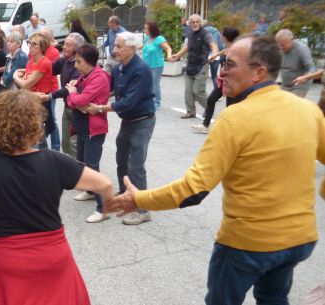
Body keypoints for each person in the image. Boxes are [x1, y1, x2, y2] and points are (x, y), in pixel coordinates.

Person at [105, 34, 325, 305]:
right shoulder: (308, 110)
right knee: (273, 297)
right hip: (299, 240)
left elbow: (194, 190)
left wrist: (138, 199)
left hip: (248, 244)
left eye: (230, 64)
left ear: (259, 72)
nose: (222, 71)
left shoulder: (235, 118)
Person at [0, 90, 114, 305]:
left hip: (7, 259)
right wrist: (109, 207)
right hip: (52, 255)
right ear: (35, 125)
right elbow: (104, 183)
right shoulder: (55, 161)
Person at [85, 31, 156, 225]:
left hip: (142, 120)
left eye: (118, 46)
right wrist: (89, 95)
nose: (114, 50)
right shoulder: (119, 68)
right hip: (128, 121)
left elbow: (128, 102)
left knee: (136, 165)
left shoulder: (141, 70)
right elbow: (110, 90)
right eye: (114, 46)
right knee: (121, 159)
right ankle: (126, 194)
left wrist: (99, 107)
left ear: (132, 49)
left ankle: (142, 210)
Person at [62, 44, 110, 223]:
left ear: (90, 63)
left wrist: (74, 95)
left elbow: (78, 99)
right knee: (82, 163)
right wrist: (75, 98)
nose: (76, 66)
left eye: (79, 62)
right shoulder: (85, 75)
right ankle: (90, 191)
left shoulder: (99, 77)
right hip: (82, 127)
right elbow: (72, 102)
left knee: (92, 168)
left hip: (93, 129)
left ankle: (103, 208)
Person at [37, 32, 85, 159]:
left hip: (77, 109)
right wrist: (30, 71)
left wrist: (50, 96)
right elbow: (48, 69)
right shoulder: (64, 60)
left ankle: (79, 172)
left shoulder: (79, 65)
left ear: (77, 49)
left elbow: (68, 89)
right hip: (67, 107)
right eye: (64, 44)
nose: (64, 47)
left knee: (74, 144)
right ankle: (71, 170)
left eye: (68, 45)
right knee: (66, 144)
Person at [169, 14, 219, 119]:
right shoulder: (190, 34)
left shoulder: (205, 34)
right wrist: (177, 55)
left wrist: (214, 53)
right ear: (189, 23)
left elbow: (213, 44)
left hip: (201, 66)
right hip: (190, 66)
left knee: (198, 91)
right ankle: (191, 112)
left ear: (200, 23)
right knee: (188, 92)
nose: (195, 23)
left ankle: (209, 109)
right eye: (193, 22)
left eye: (197, 21)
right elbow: (187, 47)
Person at [191, 27, 240, 134]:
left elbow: (236, 64)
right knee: (211, 100)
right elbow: (224, 51)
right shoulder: (229, 48)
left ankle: (232, 130)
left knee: (230, 106)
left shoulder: (235, 50)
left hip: (231, 82)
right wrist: (216, 55)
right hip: (224, 81)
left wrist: (225, 68)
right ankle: (205, 125)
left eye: (222, 35)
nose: (221, 37)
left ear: (225, 37)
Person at [13, 33, 54, 145]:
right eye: (29, 43)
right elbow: (26, 85)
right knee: (33, 139)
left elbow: (25, 84)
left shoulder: (44, 62)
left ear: (42, 48)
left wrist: (15, 76)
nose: (30, 46)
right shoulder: (30, 62)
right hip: (30, 102)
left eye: (34, 44)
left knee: (37, 141)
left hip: (40, 104)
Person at [275, 29, 315, 98]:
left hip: (299, 85)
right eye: (278, 44)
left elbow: (312, 68)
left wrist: (306, 77)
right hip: (285, 84)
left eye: (283, 45)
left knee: (292, 103)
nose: (280, 48)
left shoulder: (302, 49)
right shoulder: (279, 49)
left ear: (292, 40)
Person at [142, 22, 172, 110]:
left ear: (152, 30)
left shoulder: (159, 39)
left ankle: (157, 102)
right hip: (146, 65)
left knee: (155, 84)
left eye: (146, 29)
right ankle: (149, 100)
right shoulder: (147, 38)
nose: (145, 30)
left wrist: (169, 55)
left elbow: (168, 48)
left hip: (156, 66)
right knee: (147, 84)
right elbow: (144, 47)